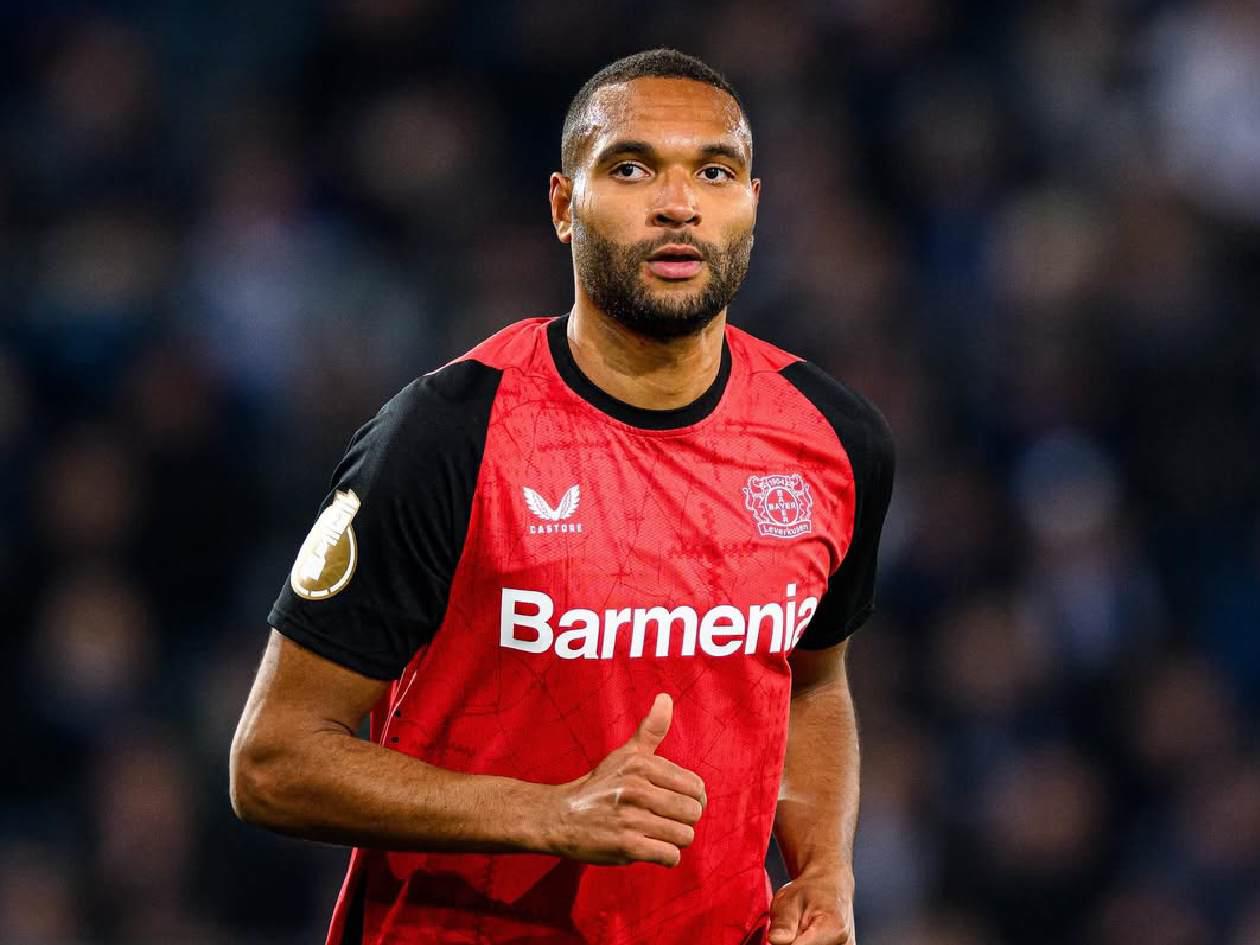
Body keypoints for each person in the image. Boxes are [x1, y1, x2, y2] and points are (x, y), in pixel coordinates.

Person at [230, 48, 894, 945]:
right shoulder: (448, 435)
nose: (678, 204)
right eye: (631, 168)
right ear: (561, 206)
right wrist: (549, 812)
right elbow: (271, 762)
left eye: (713, 172)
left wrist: (824, 871)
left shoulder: (835, 441)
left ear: (752, 203)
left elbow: (812, 683)